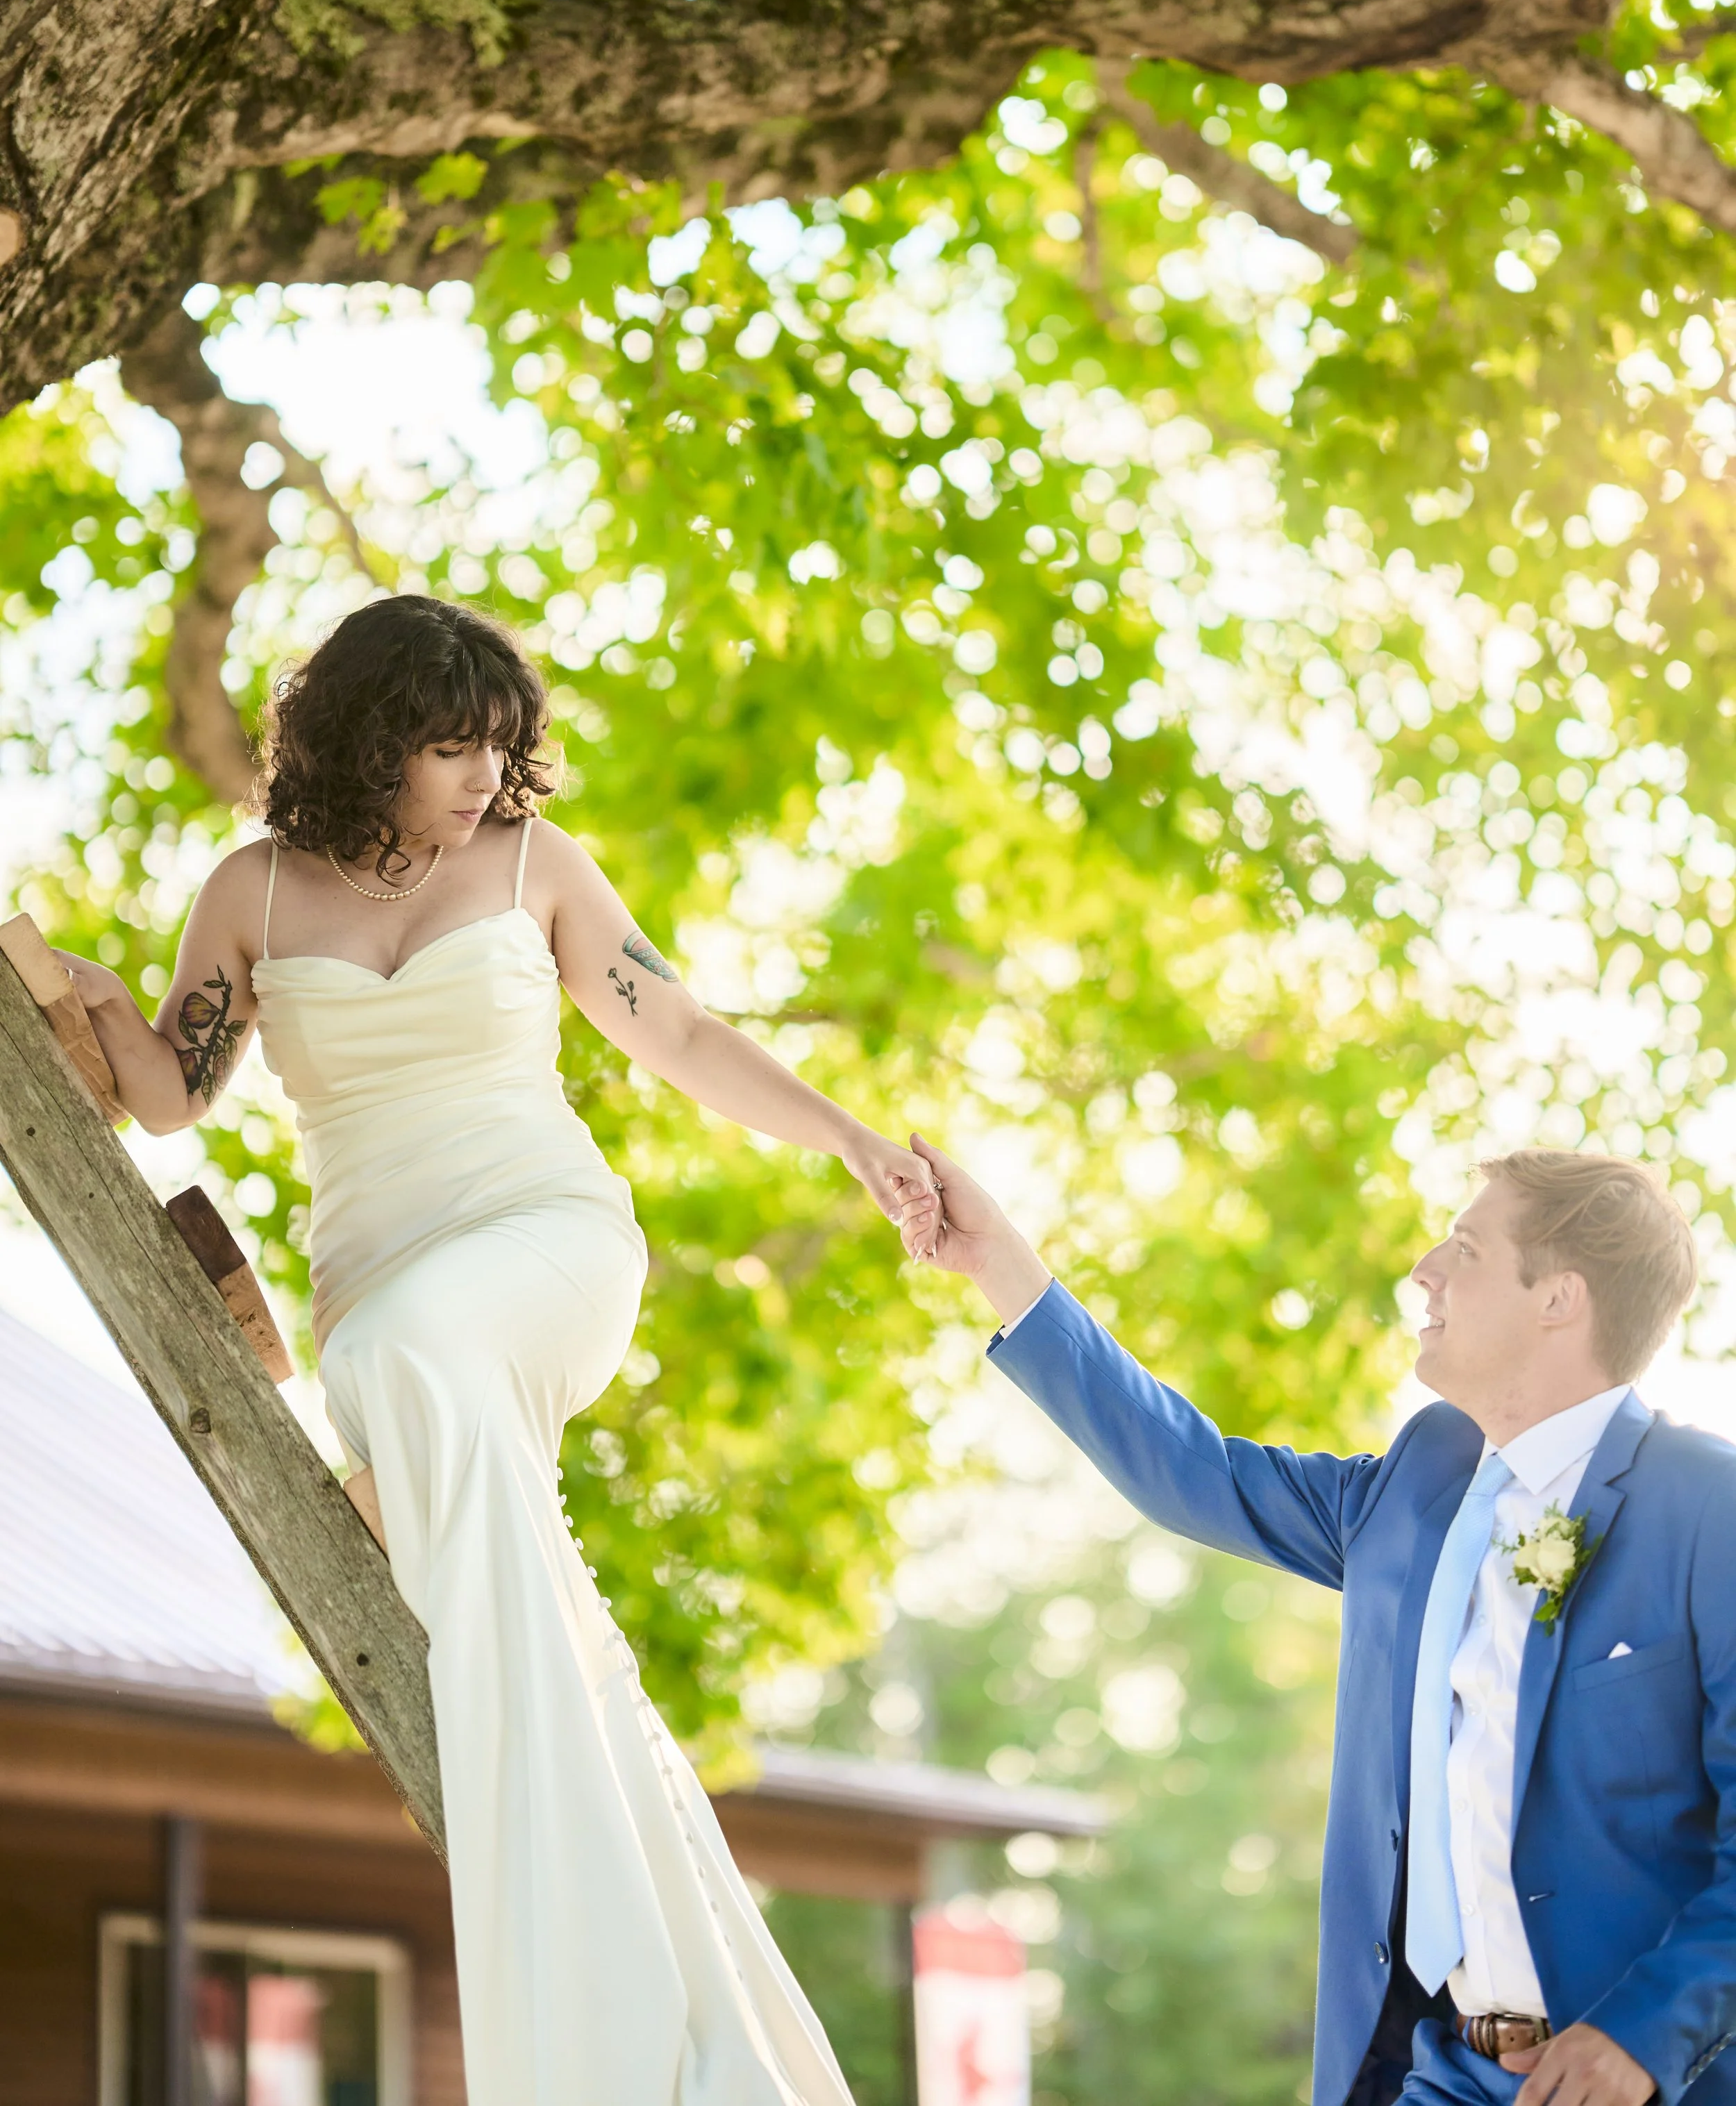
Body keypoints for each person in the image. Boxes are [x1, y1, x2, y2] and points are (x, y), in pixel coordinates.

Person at [57, 593, 937, 2106]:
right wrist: (72, 989)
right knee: (409, 1391)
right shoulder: (253, 892)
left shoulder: (531, 863)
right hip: (383, 1289)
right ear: (366, 738)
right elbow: (169, 1091)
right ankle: (612, 1900)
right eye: (449, 744)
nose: (480, 775)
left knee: (400, 1360)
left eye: (498, 745)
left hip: (547, 1241)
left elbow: (678, 1034)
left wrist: (851, 1142)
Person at [897, 1135, 1736, 2106]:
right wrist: (1000, 1260)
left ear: (1560, 1296)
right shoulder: (1414, 1487)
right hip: (1440, 2072)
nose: (1424, 1271)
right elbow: (1192, 1470)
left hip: (1652, 2081)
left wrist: (1643, 2037)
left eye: (1464, 1249)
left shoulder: (1709, 1507)